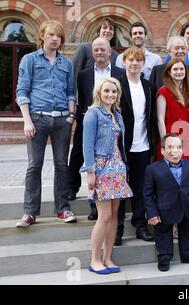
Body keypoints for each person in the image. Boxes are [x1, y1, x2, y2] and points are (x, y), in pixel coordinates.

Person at [15, 20, 77, 227]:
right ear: (42, 36)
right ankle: (30, 212)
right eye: (51, 34)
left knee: (62, 165)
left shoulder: (66, 63)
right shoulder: (29, 60)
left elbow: (71, 92)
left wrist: (71, 116)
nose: (55, 39)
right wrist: (27, 121)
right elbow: (22, 91)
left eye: (58, 36)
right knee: (35, 165)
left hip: (62, 119)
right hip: (37, 118)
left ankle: (63, 208)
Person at [68, 37, 125, 221]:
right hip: (89, 122)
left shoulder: (119, 72)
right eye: (96, 50)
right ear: (92, 52)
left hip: (111, 124)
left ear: (110, 52)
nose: (99, 53)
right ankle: (81, 194)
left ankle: (97, 207)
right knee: (82, 156)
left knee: (108, 164)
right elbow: (82, 100)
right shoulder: (83, 75)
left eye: (103, 49)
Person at [80, 77, 133, 275]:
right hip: (101, 169)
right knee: (103, 216)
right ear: (99, 93)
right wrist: (90, 172)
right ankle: (95, 260)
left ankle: (108, 257)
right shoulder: (93, 114)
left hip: (118, 169)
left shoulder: (117, 115)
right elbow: (87, 145)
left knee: (113, 217)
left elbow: (119, 145)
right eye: (107, 91)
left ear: (118, 94)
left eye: (114, 91)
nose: (110, 95)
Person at [144, 133, 189, 272]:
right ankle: (164, 257)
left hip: (188, 206)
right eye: (170, 147)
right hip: (164, 209)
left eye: (178, 147)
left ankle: (188, 254)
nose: (174, 150)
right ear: (162, 150)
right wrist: (152, 213)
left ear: (182, 149)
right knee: (163, 234)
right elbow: (148, 194)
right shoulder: (152, 169)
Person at [116, 47, 157, 245]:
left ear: (143, 64)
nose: (134, 63)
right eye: (131, 60)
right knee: (121, 188)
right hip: (121, 146)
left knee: (140, 187)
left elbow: (151, 118)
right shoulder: (117, 85)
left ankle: (140, 225)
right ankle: (118, 229)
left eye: (138, 60)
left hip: (143, 146)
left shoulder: (149, 87)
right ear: (124, 62)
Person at [156, 58, 189, 161]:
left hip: (185, 138)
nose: (179, 72)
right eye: (175, 69)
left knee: (185, 171)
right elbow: (160, 120)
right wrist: (166, 143)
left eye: (181, 69)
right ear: (169, 72)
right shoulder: (163, 92)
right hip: (169, 137)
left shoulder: (187, 93)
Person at [72, 18, 119, 92]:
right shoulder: (85, 48)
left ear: (113, 34)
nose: (107, 31)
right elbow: (74, 74)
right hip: (86, 97)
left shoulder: (116, 55)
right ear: (98, 31)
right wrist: (74, 97)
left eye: (111, 29)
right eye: (104, 27)